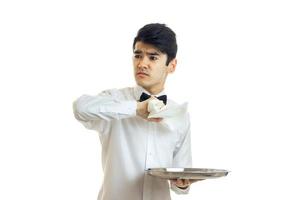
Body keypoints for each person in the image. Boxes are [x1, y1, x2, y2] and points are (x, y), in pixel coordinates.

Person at [73, 23, 198, 200]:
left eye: (152, 58)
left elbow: (181, 177)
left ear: (172, 65)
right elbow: (80, 108)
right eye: (138, 55)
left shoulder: (179, 114)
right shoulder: (115, 100)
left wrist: (181, 184)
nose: (142, 64)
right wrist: (135, 108)